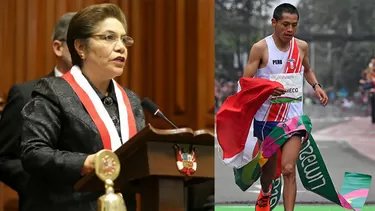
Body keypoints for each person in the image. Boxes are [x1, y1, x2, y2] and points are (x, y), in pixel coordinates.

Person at [19, 3, 145, 211]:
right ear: (80, 48)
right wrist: (87, 162)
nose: (121, 47)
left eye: (124, 39)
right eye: (108, 37)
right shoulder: (54, 91)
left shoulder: (131, 101)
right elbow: (33, 152)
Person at [243, 3, 328, 211]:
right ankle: (265, 193)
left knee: (289, 168)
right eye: (285, 24)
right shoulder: (260, 48)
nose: (290, 30)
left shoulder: (301, 47)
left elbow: (307, 69)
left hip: (293, 118)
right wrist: (267, 89)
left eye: (294, 25)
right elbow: (246, 81)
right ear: (274, 23)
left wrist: (316, 86)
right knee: (268, 172)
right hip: (267, 119)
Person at [0, 12, 76, 211]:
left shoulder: (110, 98)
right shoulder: (26, 95)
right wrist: (42, 185)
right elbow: (5, 159)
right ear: (58, 47)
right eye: (78, 43)